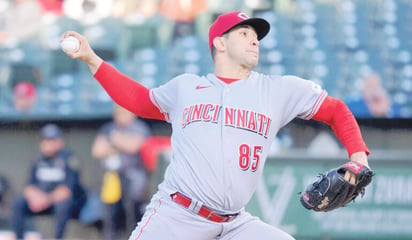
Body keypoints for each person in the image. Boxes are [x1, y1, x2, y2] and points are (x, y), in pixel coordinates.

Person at [62, 11, 371, 240]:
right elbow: (139, 100)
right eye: (244, 32)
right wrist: (93, 60)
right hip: (177, 215)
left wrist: (359, 156)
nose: (254, 39)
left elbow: (336, 110)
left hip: (235, 224)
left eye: (256, 35)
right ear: (220, 44)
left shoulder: (278, 90)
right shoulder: (186, 88)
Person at [10, 123, 86, 239]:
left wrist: (46, 199)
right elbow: (29, 186)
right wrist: (36, 197)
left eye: (52, 140)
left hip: (59, 202)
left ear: (60, 142)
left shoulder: (68, 158)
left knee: (63, 205)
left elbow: (67, 190)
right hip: (40, 200)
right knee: (17, 203)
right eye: (46, 140)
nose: (48, 144)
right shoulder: (38, 159)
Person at [91, 104, 152, 239]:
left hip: (133, 175)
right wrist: (120, 142)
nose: (120, 116)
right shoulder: (108, 128)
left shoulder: (139, 127)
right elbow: (97, 150)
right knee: (110, 212)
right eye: (118, 113)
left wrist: (114, 140)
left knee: (133, 210)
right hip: (112, 177)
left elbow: (133, 146)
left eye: (124, 113)